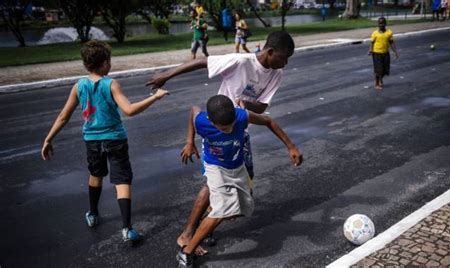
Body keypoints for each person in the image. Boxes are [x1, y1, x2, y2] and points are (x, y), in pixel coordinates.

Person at [146, 31, 295, 255]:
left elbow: (263, 108)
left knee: (242, 182)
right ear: (271, 52)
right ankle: (189, 233)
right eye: (284, 57)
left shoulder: (276, 74)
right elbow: (203, 61)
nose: (286, 62)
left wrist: (244, 104)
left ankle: (208, 224)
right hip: (218, 131)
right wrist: (166, 75)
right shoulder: (240, 61)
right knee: (213, 184)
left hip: (240, 133)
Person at [41, 40, 169, 244]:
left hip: (92, 140)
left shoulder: (79, 85)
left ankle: (92, 214)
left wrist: (48, 139)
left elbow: (63, 116)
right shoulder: (111, 84)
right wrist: (156, 97)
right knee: (122, 180)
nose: (110, 64)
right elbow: (129, 110)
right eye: (109, 60)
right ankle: (127, 229)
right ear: (103, 64)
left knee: (95, 174)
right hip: (115, 139)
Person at [176, 95, 303, 267]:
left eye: (232, 126)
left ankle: (209, 220)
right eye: (223, 128)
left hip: (237, 165)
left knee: (242, 208)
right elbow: (193, 110)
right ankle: (186, 252)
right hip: (215, 167)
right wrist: (190, 142)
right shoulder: (202, 121)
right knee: (223, 209)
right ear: (211, 122)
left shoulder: (242, 116)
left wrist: (291, 147)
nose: (229, 130)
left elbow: (268, 121)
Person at [368, 17, 399, 91]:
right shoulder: (375, 33)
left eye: (383, 23)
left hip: (385, 53)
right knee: (378, 69)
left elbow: (391, 42)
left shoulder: (388, 33)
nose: (381, 25)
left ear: (385, 24)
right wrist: (370, 50)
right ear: (378, 24)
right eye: (380, 23)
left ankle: (380, 79)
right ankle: (377, 83)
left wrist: (395, 52)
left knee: (385, 69)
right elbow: (372, 43)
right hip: (376, 54)